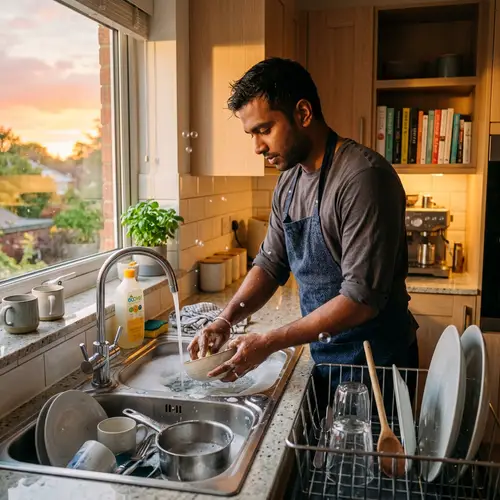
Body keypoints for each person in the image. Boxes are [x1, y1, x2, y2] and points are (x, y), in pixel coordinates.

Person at [187, 57, 419, 402]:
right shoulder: (289, 181)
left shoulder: (362, 178)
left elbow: (360, 300)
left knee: (368, 457)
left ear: (303, 114)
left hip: (376, 365)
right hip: (326, 354)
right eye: (252, 134)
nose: (258, 147)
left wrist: (269, 341)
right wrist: (226, 318)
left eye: (265, 130)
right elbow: (269, 264)